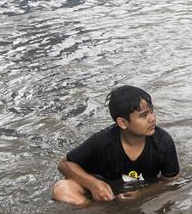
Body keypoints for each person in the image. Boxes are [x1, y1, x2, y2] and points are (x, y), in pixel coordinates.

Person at [52, 85, 180, 206]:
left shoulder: (163, 142)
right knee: (61, 189)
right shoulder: (102, 142)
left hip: (140, 188)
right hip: (105, 187)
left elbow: (172, 180)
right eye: (144, 115)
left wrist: (142, 194)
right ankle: (96, 210)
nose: (152, 118)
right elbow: (64, 164)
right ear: (123, 123)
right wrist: (94, 184)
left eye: (151, 112)